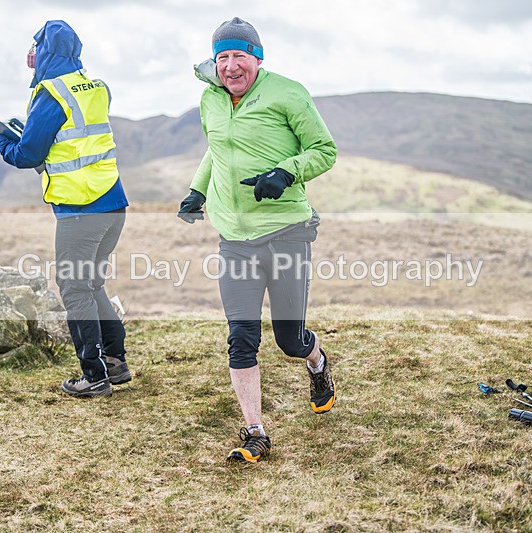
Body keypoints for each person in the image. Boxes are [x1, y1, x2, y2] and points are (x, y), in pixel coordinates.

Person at [178, 17, 338, 462]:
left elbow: (325, 150)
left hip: (287, 232)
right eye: (223, 57)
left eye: (240, 56)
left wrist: (286, 173)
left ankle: (317, 363)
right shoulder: (211, 99)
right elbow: (217, 149)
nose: (231, 66)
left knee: (290, 340)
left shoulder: (287, 93)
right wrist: (197, 191)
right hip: (235, 238)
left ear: (257, 58)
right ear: (215, 62)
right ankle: (255, 431)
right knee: (242, 337)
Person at [0, 20, 130, 398]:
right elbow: (73, 140)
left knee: (74, 289)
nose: (31, 53)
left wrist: (5, 143)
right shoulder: (96, 87)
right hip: (114, 204)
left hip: (80, 209)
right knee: (92, 285)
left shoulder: (51, 94)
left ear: (45, 51)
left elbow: (28, 153)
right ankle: (115, 362)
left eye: (35, 46)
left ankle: (94, 375)